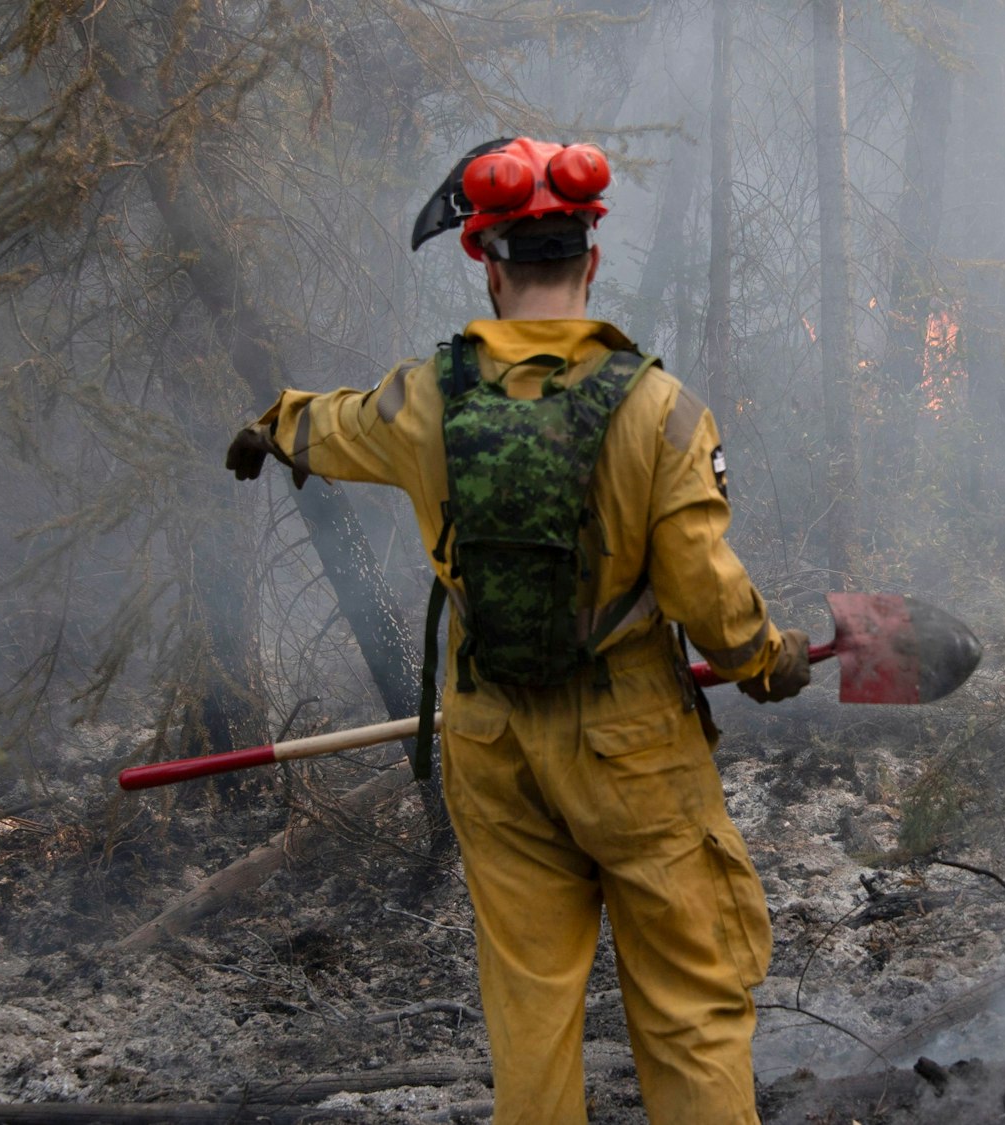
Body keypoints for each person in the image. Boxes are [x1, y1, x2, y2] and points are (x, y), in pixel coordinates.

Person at [224, 136, 808, 1125]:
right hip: (636, 756)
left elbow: (326, 422)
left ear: (483, 262)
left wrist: (268, 426)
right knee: (689, 1012)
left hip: (492, 747)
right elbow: (708, 598)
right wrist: (766, 661)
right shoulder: (659, 411)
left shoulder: (423, 402)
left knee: (531, 1016)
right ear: (590, 257)